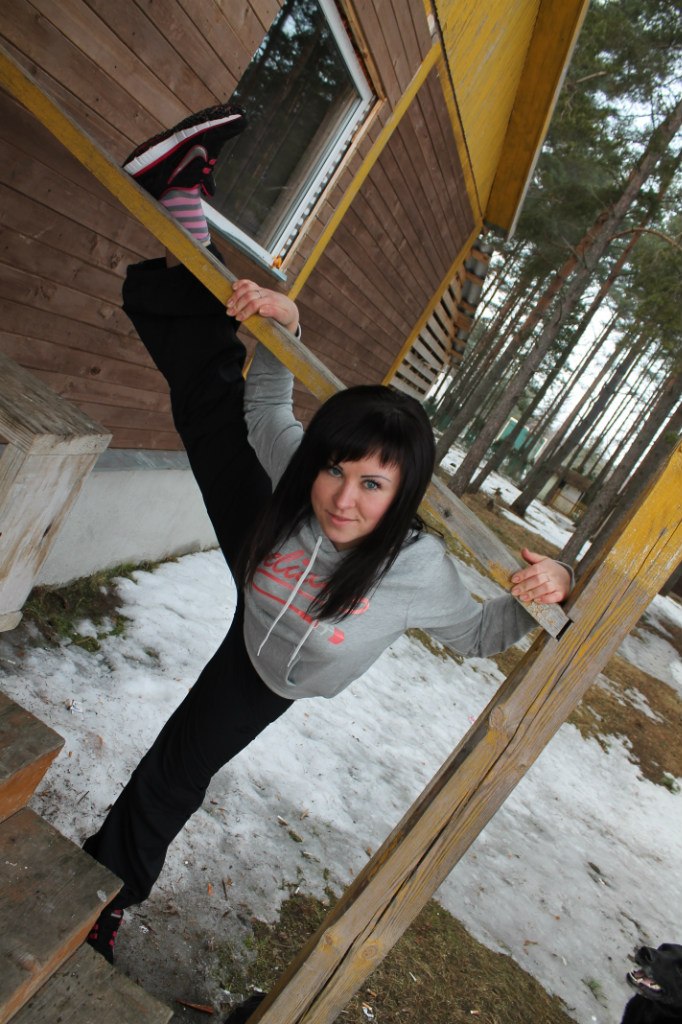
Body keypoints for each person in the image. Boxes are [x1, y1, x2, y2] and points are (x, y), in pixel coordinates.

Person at [83, 105, 572, 963]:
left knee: (176, 769)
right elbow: (269, 407)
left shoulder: (415, 571)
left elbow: (481, 636)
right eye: (336, 470)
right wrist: (289, 325)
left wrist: (551, 590)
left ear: (403, 493)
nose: (344, 499)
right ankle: (179, 212)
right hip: (262, 545)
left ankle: (102, 897)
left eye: (373, 484)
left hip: (266, 669)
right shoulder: (301, 483)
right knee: (212, 408)